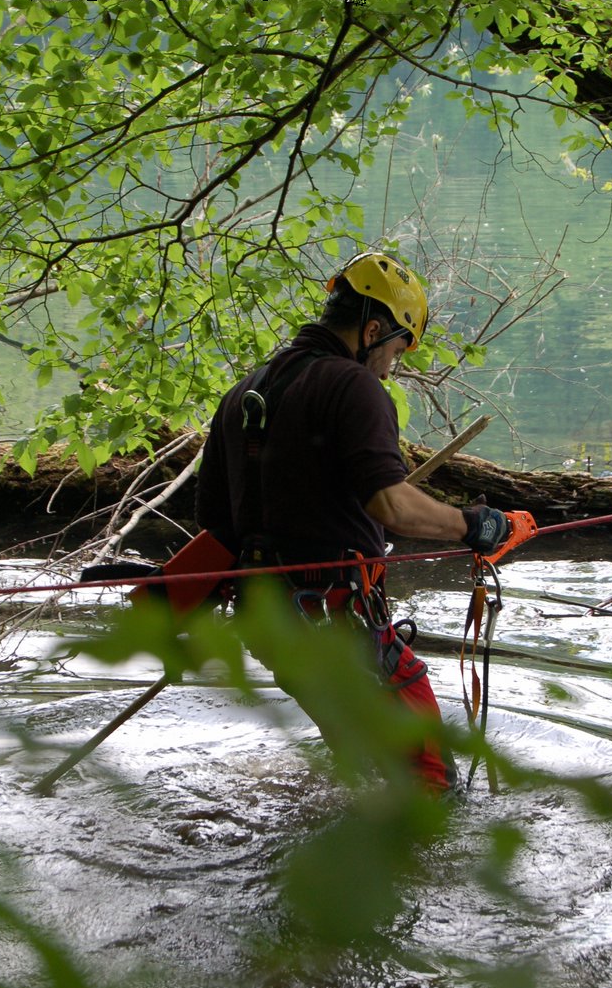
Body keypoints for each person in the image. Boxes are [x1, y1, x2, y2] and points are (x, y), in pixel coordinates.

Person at [195, 250, 509, 794]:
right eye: (394, 349)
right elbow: (391, 506)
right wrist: (473, 525)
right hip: (336, 624)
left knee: (366, 770)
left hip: (269, 625)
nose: (392, 365)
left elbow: (217, 526)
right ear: (371, 330)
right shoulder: (353, 386)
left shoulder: (248, 391)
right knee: (431, 784)